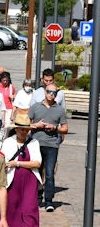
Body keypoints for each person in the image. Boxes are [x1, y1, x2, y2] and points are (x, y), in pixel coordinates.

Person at [0, 114, 41, 227]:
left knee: (29, 208)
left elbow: (37, 163)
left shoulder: (34, 143)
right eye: (21, 129)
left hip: (29, 180)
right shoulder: (8, 142)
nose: (23, 132)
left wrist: (18, 163)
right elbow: (2, 161)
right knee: (12, 208)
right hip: (12, 180)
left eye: (26, 129)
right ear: (16, 129)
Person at [28, 83, 68, 212]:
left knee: (50, 174)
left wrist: (55, 128)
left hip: (52, 145)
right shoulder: (35, 107)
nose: (52, 94)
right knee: (37, 173)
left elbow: (65, 129)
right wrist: (36, 125)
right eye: (49, 92)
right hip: (35, 144)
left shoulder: (59, 110)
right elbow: (25, 125)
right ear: (45, 92)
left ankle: (49, 201)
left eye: (54, 93)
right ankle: (37, 199)